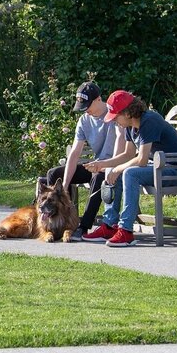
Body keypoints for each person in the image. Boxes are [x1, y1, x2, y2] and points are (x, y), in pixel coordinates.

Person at [82, 90, 177, 247]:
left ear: (128, 112)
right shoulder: (130, 127)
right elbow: (127, 155)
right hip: (157, 167)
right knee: (115, 171)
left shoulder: (149, 120)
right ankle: (110, 225)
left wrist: (118, 169)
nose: (115, 121)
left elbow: (141, 160)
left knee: (130, 173)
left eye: (116, 116)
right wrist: (102, 165)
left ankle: (126, 231)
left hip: (175, 169)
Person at [39, 81, 125, 240]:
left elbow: (121, 147)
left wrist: (107, 166)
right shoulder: (85, 120)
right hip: (96, 164)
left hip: (114, 165)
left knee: (99, 177)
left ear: (99, 99)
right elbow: (75, 153)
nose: (86, 111)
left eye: (88, 106)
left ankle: (83, 226)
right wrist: (63, 187)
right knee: (54, 173)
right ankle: (63, 221)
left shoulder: (114, 115)